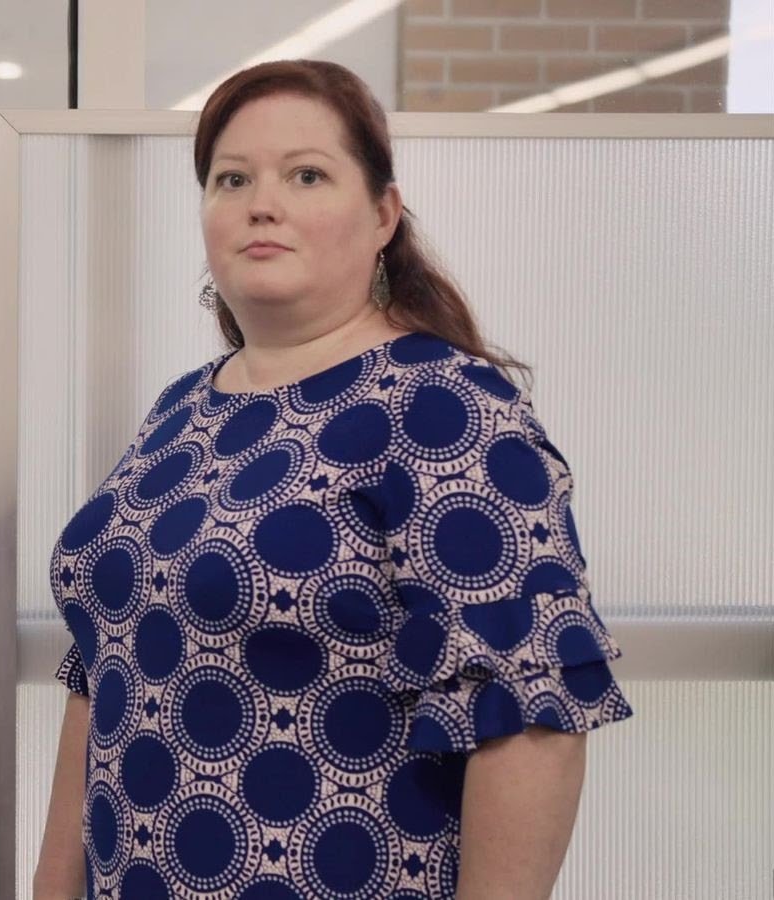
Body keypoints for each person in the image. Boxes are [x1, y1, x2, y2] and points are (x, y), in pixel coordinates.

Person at [32, 59, 634, 900]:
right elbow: (101, 676)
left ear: (383, 213)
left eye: (305, 174)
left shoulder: (444, 406)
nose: (259, 202)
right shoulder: (181, 410)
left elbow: (530, 714)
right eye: (229, 178)